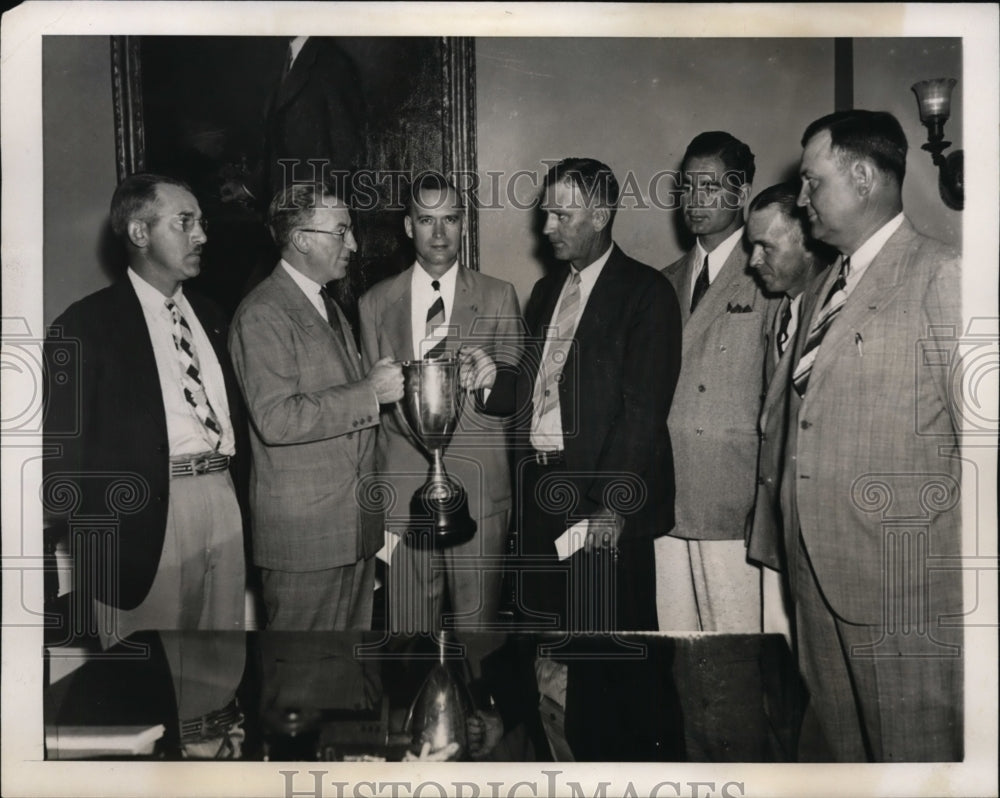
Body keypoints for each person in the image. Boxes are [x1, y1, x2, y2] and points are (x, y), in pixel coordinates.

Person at [783, 110, 962, 761]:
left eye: (813, 181)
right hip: (817, 578)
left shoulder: (942, 274)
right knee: (842, 762)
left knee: (912, 763)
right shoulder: (826, 284)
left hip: (902, 593)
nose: (801, 198)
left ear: (862, 176)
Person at [473, 156, 682, 632]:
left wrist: (613, 503)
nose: (547, 228)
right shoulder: (546, 291)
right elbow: (537, 390)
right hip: (538, 494)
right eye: (546, 214)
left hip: (598, 502)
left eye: (561, 216)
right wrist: (490, 382)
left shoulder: (647, 293)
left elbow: (643, 413)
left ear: (600, 216)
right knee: (544, 640)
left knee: (605, 647)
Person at [43, 173, 248, 645]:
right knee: (147, 673)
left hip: (220, 496)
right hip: (140, 523)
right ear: (139, 232)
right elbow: (62, 458)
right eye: (184, 222)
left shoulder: (212, 316)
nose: (201, 236)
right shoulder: (86, 325)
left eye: (201, 223)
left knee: (219, 664)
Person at [229, 183, 403, 630]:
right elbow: (276, 419)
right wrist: (369, 393)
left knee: (347, 666)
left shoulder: (326, 305)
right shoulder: (263, 312)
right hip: (306, 540)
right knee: (302, 669)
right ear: (302, 239)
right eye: (341, 232)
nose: (354, 244)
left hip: (351, 531)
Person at [358, 172, 523, 632]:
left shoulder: (498, 294)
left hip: (479, 491)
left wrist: (488, 381)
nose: (438, 233)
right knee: (409, 637)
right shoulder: (374, 303)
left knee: (477, 639)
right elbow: (370, 408)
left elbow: (516, 396)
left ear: (463, 224)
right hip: (403, 497)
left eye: (449, 219)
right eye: (426, 220)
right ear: (408, 226)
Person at [656, 131, 781, 633]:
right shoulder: (663, 281)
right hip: (667, 493)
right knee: (674, 641)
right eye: (687, 187)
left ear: (742, 192)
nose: (695, 199)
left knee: (734, 645)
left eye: (709, 186)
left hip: (733, 497)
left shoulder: (768, 275)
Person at [744, 181, 834, 642]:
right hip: (775, 531)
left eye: (766, 247)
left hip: (815, 541)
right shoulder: (782, 311)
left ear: (808, 243)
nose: (752, 261)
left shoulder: (833, 316)